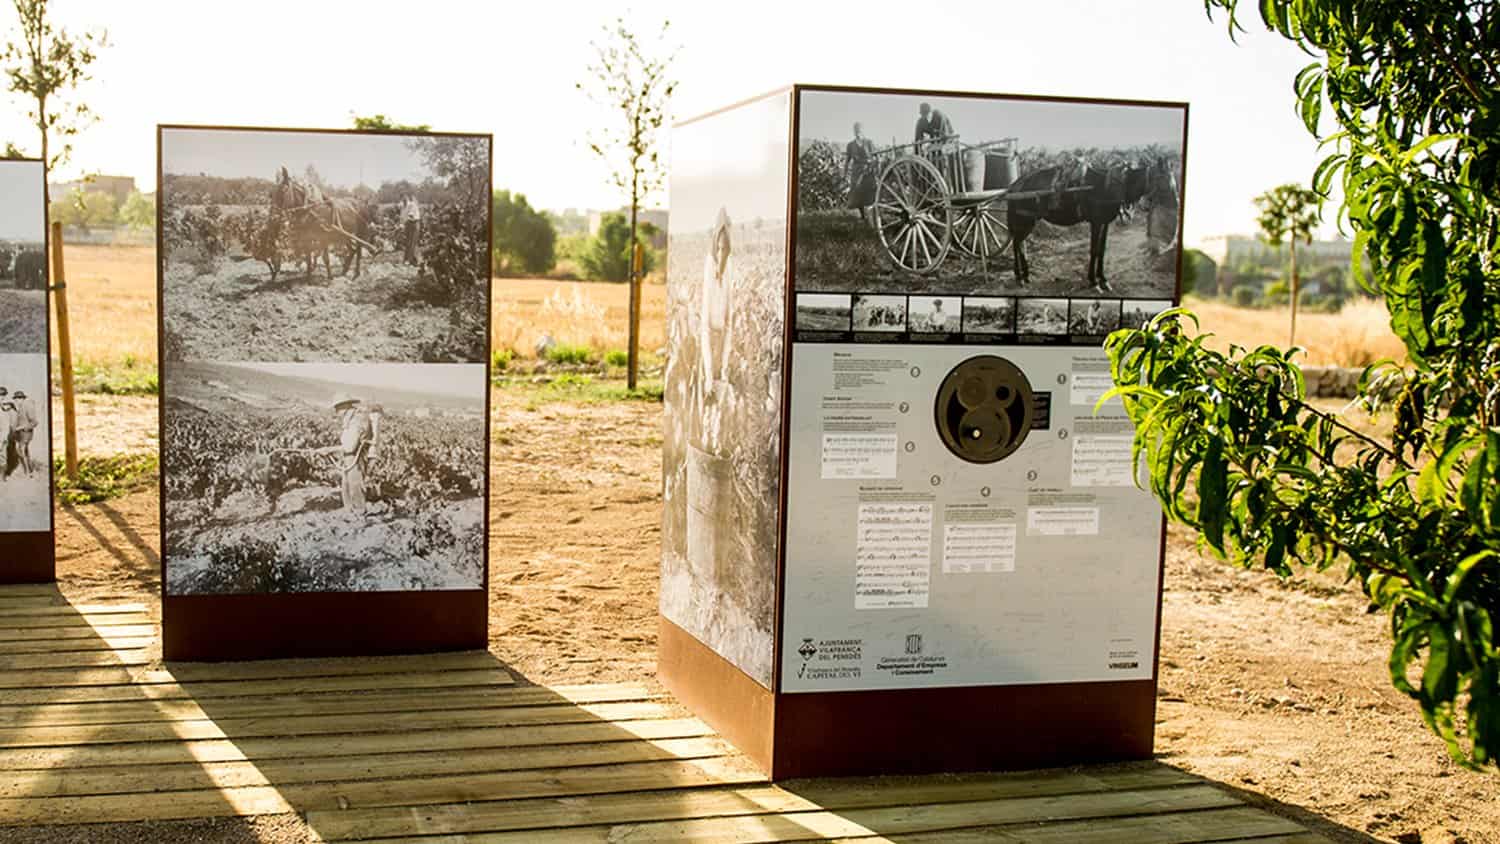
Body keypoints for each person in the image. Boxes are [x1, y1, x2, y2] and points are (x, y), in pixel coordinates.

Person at [319, 394, 374, 516]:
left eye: (338, 407)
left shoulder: (356, 421)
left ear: (345, 406)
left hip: (355, 456)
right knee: (346, 484)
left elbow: (350, 446)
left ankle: (360, 512)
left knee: (355, 484)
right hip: (349, 456)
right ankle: (350, 511)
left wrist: (329, 449)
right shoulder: (350, 419)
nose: (336, 411)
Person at [845, 122, 877, 224]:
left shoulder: (869, 142)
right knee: (857, 193)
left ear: (863, 130)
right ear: (853, 131)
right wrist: (845, 173)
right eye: (856, 130)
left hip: (868, 170)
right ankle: (863, 216)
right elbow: (847, 160)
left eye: (859, 129)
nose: (857, 131)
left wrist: (873, 166)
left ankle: (872, 216)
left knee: (870, 192)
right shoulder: (850, 145)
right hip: (856, 172)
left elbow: (876, 157)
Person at [9, 389, 37, 477]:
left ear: (22, 398)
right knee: (25, 451)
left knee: (20, 450)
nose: (16, 400)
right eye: (15, 399)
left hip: (26, 432)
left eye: (18, 398)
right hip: (21, 433)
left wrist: (21, 427)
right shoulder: (21, 407)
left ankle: (27, 472)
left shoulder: (27, 406)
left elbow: (34, 422)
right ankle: (30, 471)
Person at [400, 193, 422, 265]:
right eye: (402, 198)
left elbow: (411, 216)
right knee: (407, 242)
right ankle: (410, 259)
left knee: (412, 242)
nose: (403, 199)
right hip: (408, 225)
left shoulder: (412, 205)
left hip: (414, 224)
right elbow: (402, 218)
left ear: (407, 197)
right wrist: (401, 225)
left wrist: (403, 224)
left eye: (404, 197)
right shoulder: (403, 207)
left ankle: (409, 260)